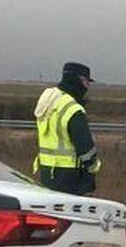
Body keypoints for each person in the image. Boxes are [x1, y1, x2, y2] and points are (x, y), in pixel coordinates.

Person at [33, 61, 101, 195]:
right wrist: (93, 169)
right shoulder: (73, 109)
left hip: (46, 171)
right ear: (79, 80)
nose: (87, 87)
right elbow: (86, 149)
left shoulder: (49, 101)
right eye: (87, 82)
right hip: (70, 177)